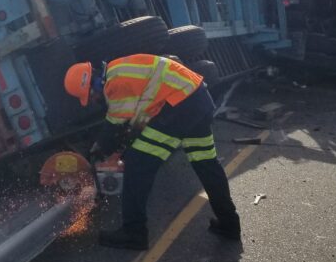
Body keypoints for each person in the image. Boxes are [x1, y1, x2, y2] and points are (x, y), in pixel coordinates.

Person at [63, 54, 241, 250]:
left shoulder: (115, 83)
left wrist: (98, 150)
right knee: (206, 163)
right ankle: (229, 223)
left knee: (137, 166)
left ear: (93, 85)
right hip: (197, 99)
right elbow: (139, 118)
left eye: (91, 97)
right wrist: (120, 146)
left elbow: (115, 125)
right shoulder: (120, 69)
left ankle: (134, 233)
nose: (95, 101)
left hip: (178, 107)